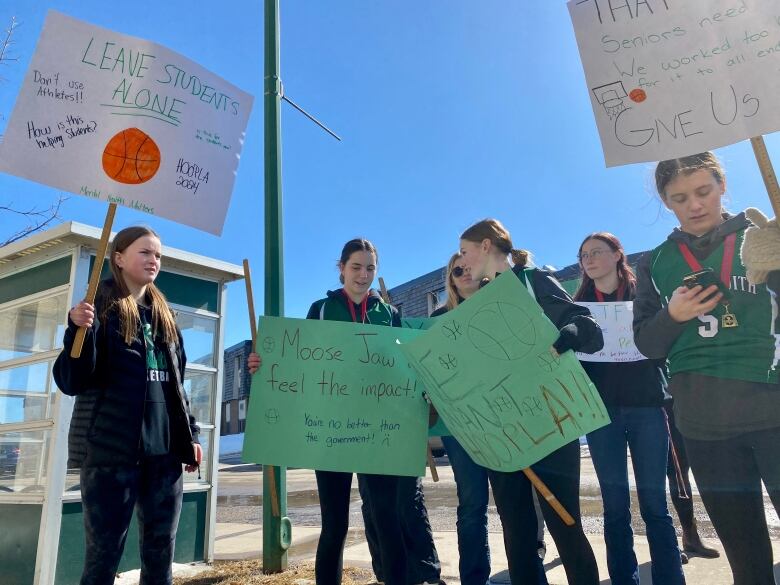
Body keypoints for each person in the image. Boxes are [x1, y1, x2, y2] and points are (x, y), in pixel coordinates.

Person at [633, 151, 780, 585]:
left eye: (703, 191)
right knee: (747, 558)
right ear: (666, 202)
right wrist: (671, 316)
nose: (694, 205)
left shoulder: (764, 236)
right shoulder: (655, 262)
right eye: (679, 197)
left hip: (772, 410)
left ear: (722, 185)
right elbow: (646, 343)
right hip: (704, 426)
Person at [251, 238, 409, 585]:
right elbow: (297, 363)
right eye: (356, 267)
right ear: (341, 268)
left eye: (370, 268)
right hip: (332, 432)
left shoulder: (390, 315)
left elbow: (404, 370)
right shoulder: (321, 309)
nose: (364, 275)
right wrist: (265, 363)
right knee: (335, 524)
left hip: (377, 433)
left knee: (387, 519)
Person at [53, 226, 202, 585]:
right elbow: (71, 381)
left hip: (164, 456)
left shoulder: (166, 316)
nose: (154, 260)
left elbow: (177, 388)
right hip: (110, 456)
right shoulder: (97, 309)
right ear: (118, 258)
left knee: (160, 554)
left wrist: (191, 434)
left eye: (158, 255)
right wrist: (78, 332)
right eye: (145, 252)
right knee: (103, 557)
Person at [458, 219, 603, 585]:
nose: (461, 261)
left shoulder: (534, 281)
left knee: (565, 524)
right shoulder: (478, 299)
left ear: (486, 246)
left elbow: (585, 325)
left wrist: (570, 331)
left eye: (464, 251)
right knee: (518, 533)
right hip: (503, 433)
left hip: (551, 424)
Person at [574, 232, 685, 585]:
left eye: (596, 252)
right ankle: (624, 579)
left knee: (656, 506)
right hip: (601, 415)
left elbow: (665, 343)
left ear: (617, 255)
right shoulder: (577, 307)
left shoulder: (643, 297)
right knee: (615, 508)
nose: (589, 260)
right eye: (583, 255)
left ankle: (671, 579)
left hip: (647, 409)